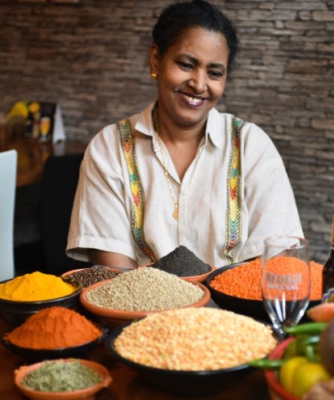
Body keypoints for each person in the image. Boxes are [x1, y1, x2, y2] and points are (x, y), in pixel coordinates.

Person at [67, 0, 303, 269]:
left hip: (232, 312)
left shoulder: (251, 146)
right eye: (186, 65)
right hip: (141, 311)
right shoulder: (110, 148)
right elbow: (116, 276)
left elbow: (277, 262)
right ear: (156, 60)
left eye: (214, 73)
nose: (199, 84)